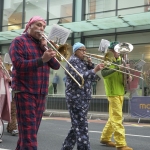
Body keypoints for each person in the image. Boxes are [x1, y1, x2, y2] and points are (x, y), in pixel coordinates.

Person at [9, 16, 60, 150]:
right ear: (29, 26)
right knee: (29, 135)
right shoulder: (19, 41)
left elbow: (56, 66)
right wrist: (41, 60)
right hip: (25, 91)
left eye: (43, 26)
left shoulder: (42, 45)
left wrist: (44, 47)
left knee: (29, 134)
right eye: (38, 25)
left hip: (41, 93)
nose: (41, 28)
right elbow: (19, 65)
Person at [61, 42, 104, 150]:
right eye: (82, 50)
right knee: (81, 126)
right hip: (76, 97)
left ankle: (66, 147)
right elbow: (81, 77)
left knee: (77, 125)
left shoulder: (82, 61)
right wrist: (95, 69)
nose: (85, 52)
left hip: (83, 96)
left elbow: (92, 78)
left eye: (85, 50)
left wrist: (90, 65)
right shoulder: (73, 61)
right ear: (75, 51)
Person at [100, 41, 133, 150]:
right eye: (117, 51)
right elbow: (104, 74)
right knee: (118, 118)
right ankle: (121, 144)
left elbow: (124, 76)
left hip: (120, 91)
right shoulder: (107, 60)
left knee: (113, 117)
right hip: (113, 92)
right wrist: (119, 68)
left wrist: (128, 76)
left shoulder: (120, 60)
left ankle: (105, 137)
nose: (119, 53)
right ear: (112, 51)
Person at [0, 55, 11, 143]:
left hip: (3, 94)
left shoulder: (3, 70)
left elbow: (9, 79)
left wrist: (5, 72)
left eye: (1, 60)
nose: (0, 61)